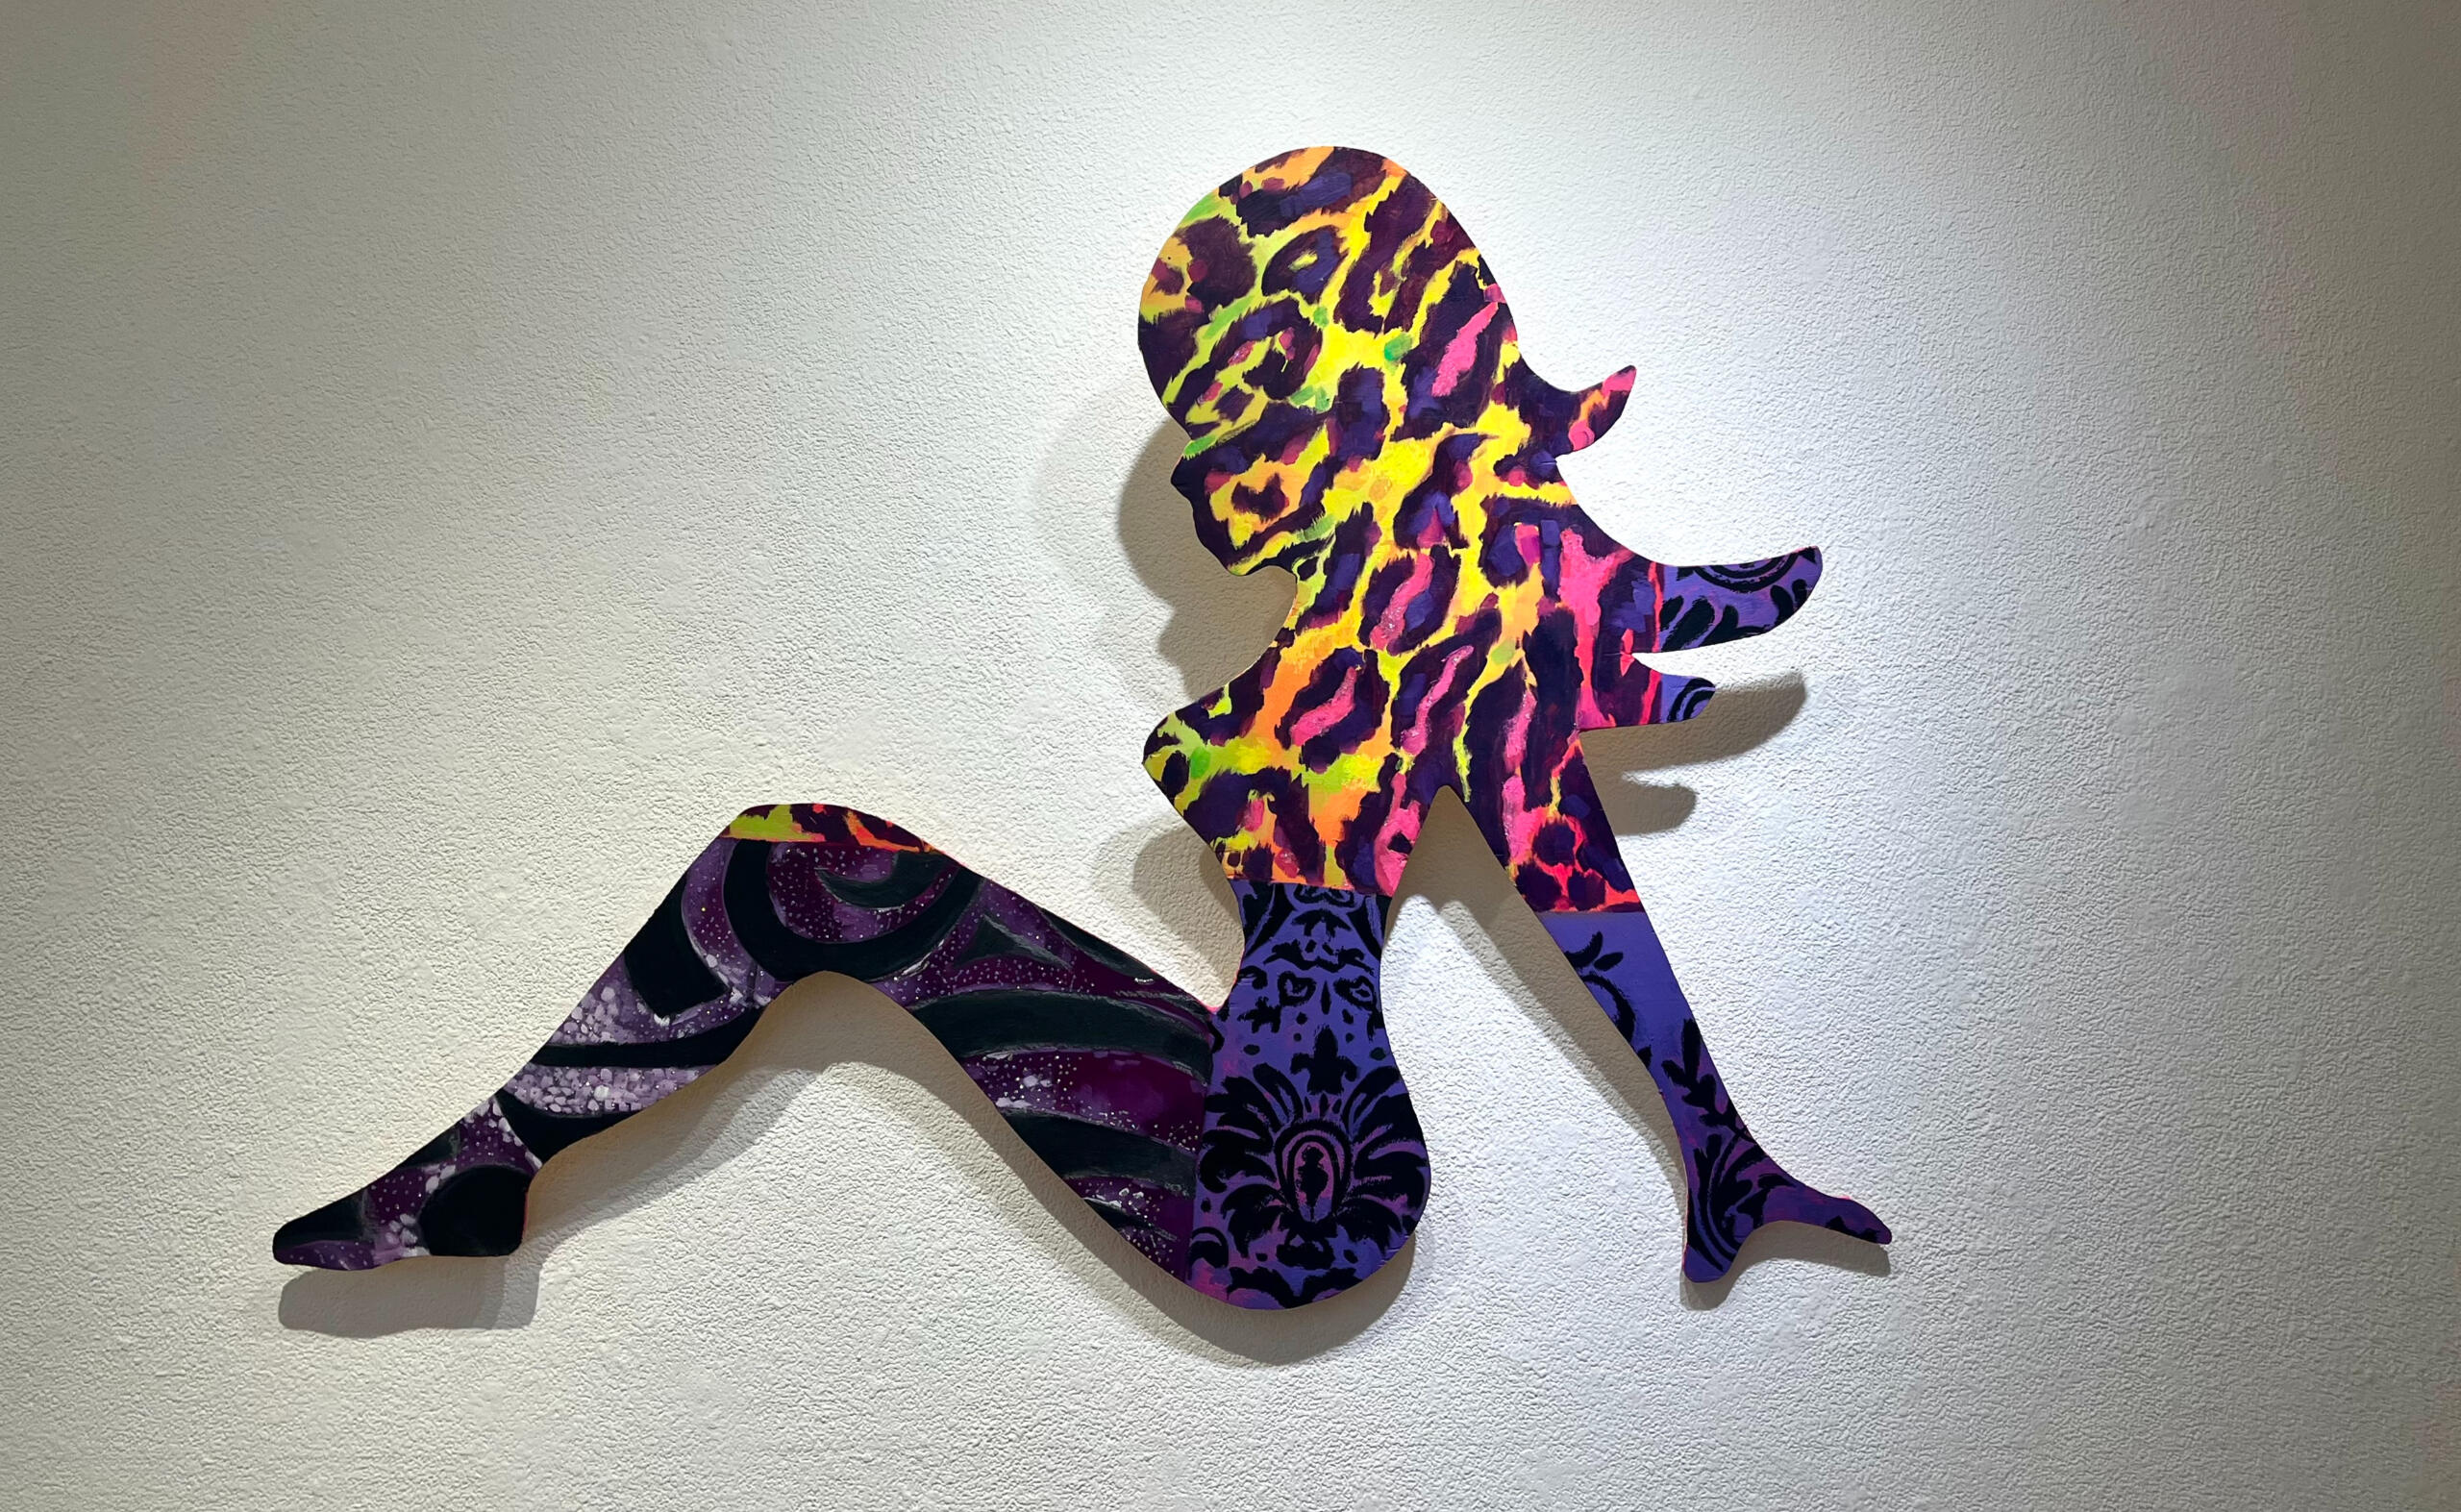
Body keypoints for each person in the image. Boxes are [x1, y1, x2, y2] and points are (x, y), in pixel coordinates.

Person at [273, 147, 1886, 1309]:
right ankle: (495, 1171)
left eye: (1230, 418)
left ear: (1350, 402)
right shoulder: (1363, 660)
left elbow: (1579, 886)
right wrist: (1724, 1151)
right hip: (1252, 1134)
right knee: (805, 865)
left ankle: (495, 1168)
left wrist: (1720, 1151)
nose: (1203, 484)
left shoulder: (1440, 658)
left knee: (802, 867)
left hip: (1285, 1186)